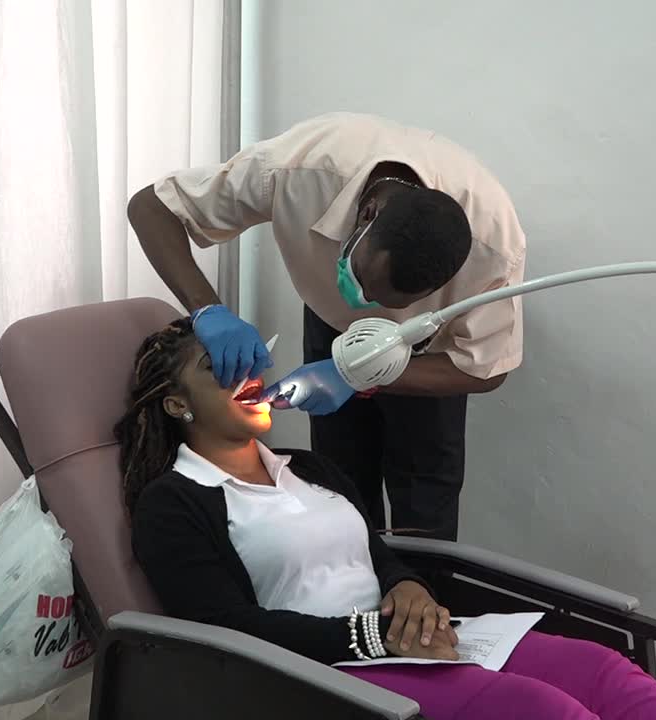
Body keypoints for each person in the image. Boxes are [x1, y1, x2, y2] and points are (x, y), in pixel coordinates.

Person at [113, 319, 656, 720]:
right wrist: (375, 638)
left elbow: (377, 556)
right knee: (544, 711)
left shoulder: (308, 466)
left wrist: (409, 588)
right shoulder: (173, 501)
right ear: (177, 403)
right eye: (217, 369)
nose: (247, 377)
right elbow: (225, 627)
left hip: (413, 644)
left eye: (247, 363)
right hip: (319, 676)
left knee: (601, 668)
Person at [127, 112, 525, 541]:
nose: (367, 307)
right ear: (367, 214)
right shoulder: (298, 169)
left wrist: (352, 375)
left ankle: (417, 596)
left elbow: (487, 369)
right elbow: (152, 207)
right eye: (365, 285)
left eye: (389, 303)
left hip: (426, 354)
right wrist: (208, 310)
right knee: (342, 483)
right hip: (328, 325)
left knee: (425, 504)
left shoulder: (495, 248)